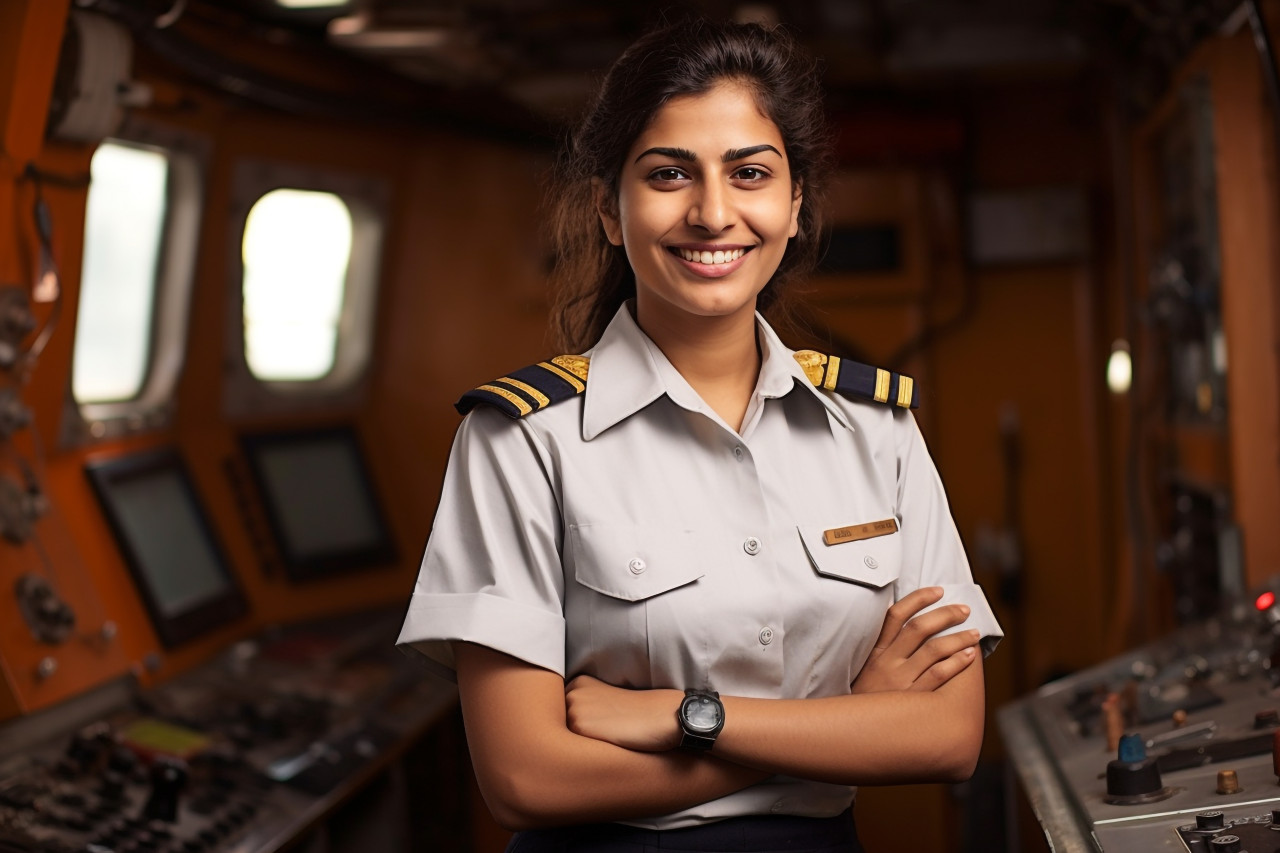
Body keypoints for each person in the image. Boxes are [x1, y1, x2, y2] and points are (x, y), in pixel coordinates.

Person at [397, 16, 1003, 853]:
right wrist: (837, 728)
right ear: (611, 209)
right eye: (669, 174)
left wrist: (680, 718)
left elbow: (947, 736)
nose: (713, 213)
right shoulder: (522, 443)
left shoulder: (877, 431)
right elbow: (524, 778)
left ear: (795, 208)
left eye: (750, 173)